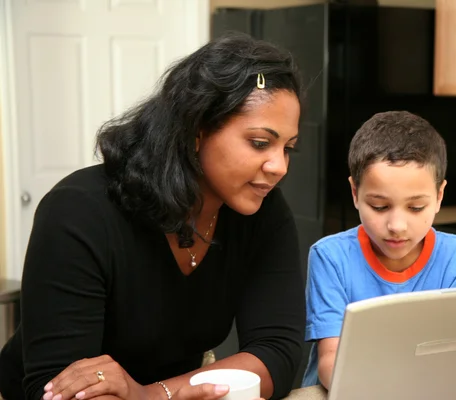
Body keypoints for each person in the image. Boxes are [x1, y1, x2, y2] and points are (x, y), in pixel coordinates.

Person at [0, 32, 306, 400]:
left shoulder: (264, 211)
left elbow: (277, 352)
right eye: (260, 143)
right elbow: (61, 388)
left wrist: (152, 395)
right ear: (197, 130)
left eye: (287, 148)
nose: (278, 167)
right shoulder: (77, 213)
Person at [301, 111, 456, 389]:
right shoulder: (331, 258)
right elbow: (330, 361)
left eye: (415, 207)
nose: (396, 226)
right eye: (380, 206)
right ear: (354, 193)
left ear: (439, 196)